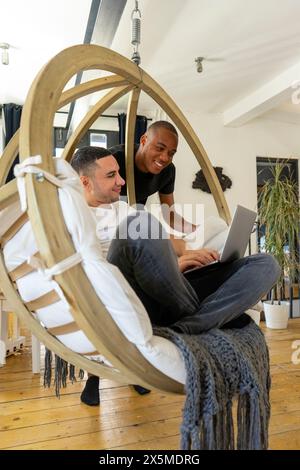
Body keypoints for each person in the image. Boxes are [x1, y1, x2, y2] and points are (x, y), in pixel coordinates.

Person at [71, 147, 280, 405]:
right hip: (130, 296)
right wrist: (174, 264)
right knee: (140, 222)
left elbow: (172, 244)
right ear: (85, 182)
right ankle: (211, 317)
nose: (121, 181)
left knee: (266, 264)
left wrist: (196, 255)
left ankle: (185, 328)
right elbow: (92, 275)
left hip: (172, 289)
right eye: (112, 175)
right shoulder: (75, 217)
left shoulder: (124, 209)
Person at [109, 120, 197, 234]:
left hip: (133, 228)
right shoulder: (113, 160)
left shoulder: (168, 171)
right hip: (105, 225)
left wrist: (198, 231)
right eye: (160, 148)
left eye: (171, 153)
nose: (165, 158)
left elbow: (170, 216)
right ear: (144, 140)